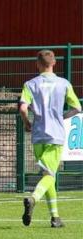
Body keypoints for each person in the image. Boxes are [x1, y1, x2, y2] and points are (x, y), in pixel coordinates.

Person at [19, 50, 81, 228]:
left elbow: (23, 108)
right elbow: (77, 108)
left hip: (38, 134)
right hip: (55, 134)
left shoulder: (30, 84)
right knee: (50, 175)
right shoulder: (64, 83)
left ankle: (55, 217)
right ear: (54, 63)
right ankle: (33, 199)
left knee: (48, 175)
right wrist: (62, 117)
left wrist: (27, 123)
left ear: (38, 64)